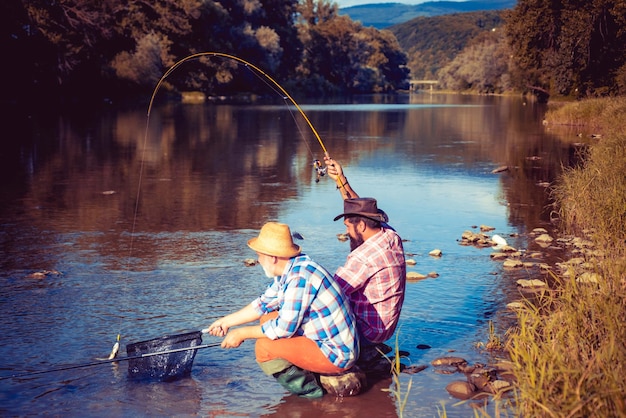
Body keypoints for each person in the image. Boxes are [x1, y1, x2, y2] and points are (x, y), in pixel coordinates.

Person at [205, 221, 359, 398]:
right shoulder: (293, 267)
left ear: (272, 257)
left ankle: (314, 394)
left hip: (337, 354)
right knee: (267, 318)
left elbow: (283, 328)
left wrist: (241, 333)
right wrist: (226, 322)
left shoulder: (299, 277)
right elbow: (263, 304)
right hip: (328, 341)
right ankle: (310, 375)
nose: (258, 260)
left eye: (259, 255)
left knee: (264, 348)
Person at [324, 156, 407, 369]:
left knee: (309, 315)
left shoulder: (363, 258)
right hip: (384, 329)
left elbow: (328, 294)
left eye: (347, 226)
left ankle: (329, 372)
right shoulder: (389, 236)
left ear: (360, 226)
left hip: (368, 332)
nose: (345, 231)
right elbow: (360, 209)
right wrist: (340, 180)